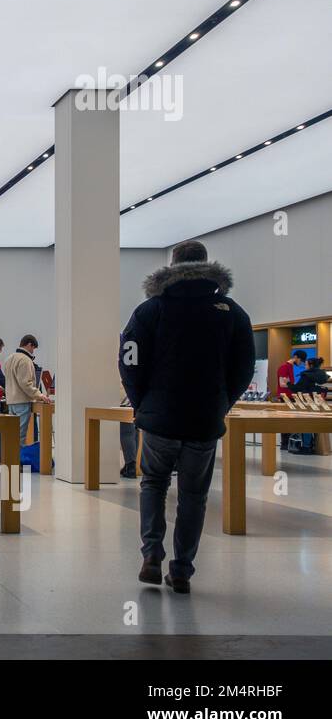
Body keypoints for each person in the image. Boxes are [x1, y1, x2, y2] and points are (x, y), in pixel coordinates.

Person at [120, 240, 254, 594]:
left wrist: (141, 403)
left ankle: (151, 554)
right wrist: (221, 403)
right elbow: (244, 368)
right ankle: (182, 570)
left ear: (172, 266)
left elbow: (130, 361)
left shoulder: (150, 310)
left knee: (153, 483)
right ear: (207, 265)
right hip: (204, 419)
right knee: (194, 495)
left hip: (160, 418)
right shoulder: (231, 312)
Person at [5, 335, 50, 445]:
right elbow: (26, 383)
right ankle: (18, 460)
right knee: (20, 435)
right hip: (22, 402)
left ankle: (11, 457)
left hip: (11, 401)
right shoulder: (25, 360)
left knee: (12, 433)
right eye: (33, 348)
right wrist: (40, 395)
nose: (33, 351)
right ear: (29, 344)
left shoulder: (9, 358)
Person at [289, 357, 331, 453]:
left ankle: (306, 447)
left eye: (306, 364)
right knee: (313, 423)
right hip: (320, 404)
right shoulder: (324, 374)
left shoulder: (306, 375)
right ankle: (311, 445)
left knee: (306, 423)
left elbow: (297, 388)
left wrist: (287, 383)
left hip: (307, 402)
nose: (305, 366)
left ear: (311, 365)